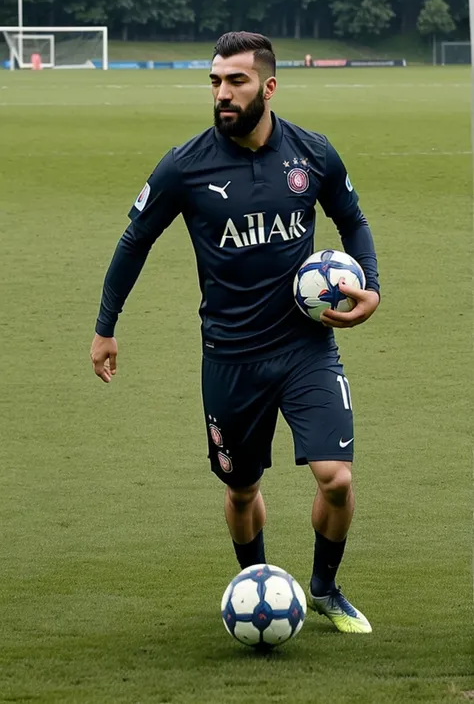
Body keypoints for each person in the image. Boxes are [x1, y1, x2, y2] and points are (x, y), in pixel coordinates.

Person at [90, 31, 380, 634]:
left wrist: (371, 287)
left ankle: (324, 587)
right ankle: (257, 583)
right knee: (242, 491)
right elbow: (133, 242)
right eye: (215, 81)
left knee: (337, 477)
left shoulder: (313, 153)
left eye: (236, 81)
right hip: (230, 357)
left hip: (306, 347)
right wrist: (105, 328)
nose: (222, 93)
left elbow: (352, 220)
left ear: (268, 87)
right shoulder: (186, 165)